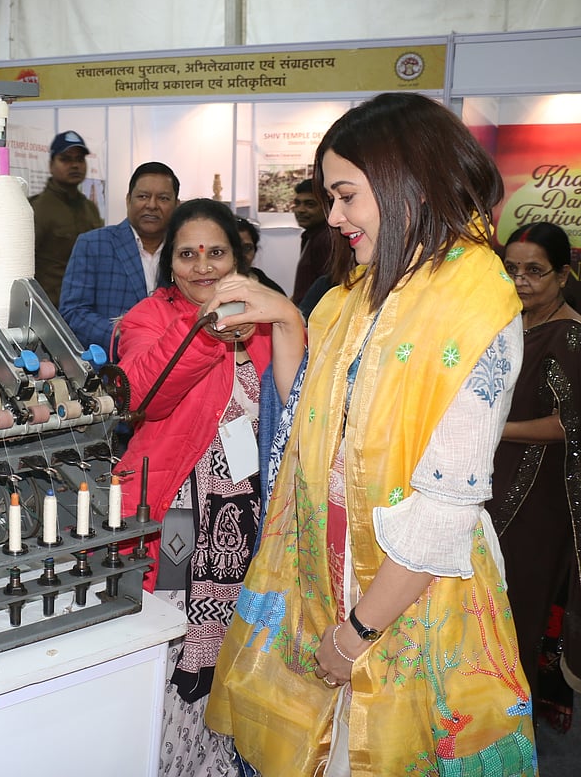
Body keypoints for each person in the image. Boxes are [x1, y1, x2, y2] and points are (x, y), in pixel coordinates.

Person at [205, 92, 537, 776]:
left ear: (406, 181)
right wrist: (287, 320)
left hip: (409, 588)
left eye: (346, 195)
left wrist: (355, 635)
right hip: (331, 569)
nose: (333, 216)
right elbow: (310, 422)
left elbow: (444, 513)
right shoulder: (357, 296)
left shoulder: (475, 307)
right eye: (331, 197)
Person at [115, 198, 288, 776]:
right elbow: (143, 395)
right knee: (175, 636)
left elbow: (291, 405)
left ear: (238, 257)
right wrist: (204, 330)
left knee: (238, 641)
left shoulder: (263, 316)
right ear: (170, 264)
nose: (202, 266)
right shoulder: (148, 318)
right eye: (187, 254)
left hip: (246, 516)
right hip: (178, 515)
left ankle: (221, 764)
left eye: (216, 252)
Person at [489, 221, 581, 736]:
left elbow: (571, 423)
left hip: (538, 494)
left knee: (518, 608)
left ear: (563, 275)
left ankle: (509, 736)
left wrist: (496, 428)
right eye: (511, 269)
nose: (521, 281)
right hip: (494, 477)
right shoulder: (509, 322)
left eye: (535, 271)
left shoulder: (570, 335)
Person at [58, 161, 179, 355]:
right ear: (128, 200)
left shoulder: (181, 251)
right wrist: (124, 336)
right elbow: (73, 313)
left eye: (163, 198)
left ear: (176, 205)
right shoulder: (93, 244)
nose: (152, 205)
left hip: (169, 362)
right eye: (143, 196)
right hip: (109, 364)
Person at [30, 130, 103, 306]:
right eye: (65, 159)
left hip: (85, 307)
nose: (75, 165)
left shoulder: (90, 208)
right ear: (51, 165)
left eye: (79, 159)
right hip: (50, 309)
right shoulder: (38, 209)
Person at [289, 178, 338, 306]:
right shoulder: (312, 235)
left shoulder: (326, 239)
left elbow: (329, 290)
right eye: (297, 203)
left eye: (310, 204)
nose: (300, 210)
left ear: (327, 207)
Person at [234, 216, 284, 294]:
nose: (240, 255)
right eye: (232, 248)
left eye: (246, 248)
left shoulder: (270, 290)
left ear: (255, 250)